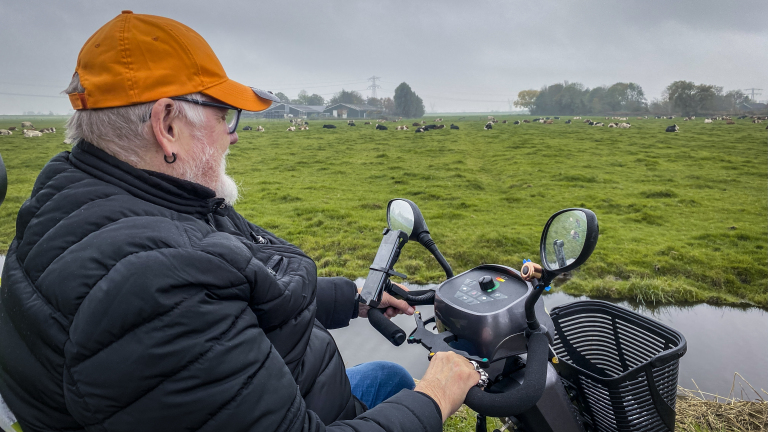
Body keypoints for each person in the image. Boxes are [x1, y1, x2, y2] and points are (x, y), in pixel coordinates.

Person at [0, 11, 480, 432]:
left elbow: (230, 281)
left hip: (267, 388)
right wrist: (437, 394)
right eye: (225, 116)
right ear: (167, 125)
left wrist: (350, 298)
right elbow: (189, 296)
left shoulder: (75, 199)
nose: (232, 138)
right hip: (292, 405)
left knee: (390, 379)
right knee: (407, 386)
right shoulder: (158, 289)